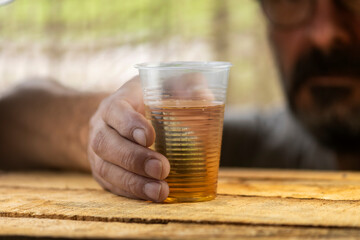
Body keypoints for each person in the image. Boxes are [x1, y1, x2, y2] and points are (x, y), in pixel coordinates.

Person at [1, 0, 360, 202]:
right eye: (291, 2)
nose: (326, 34)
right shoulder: (264, 146)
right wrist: (101, 131)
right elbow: (12, 116)